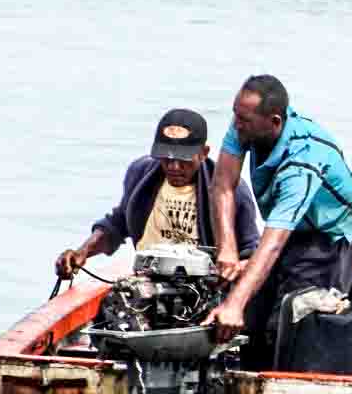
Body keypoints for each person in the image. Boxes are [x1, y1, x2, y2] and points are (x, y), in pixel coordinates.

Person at [202, 75, 352, 354]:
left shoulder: (302, 163)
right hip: (284, 223)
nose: (236, 124)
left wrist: (234, 306)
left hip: (325, 233)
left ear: (274, 121)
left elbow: (274, 242)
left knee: (293, 317)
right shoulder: (245, 124)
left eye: (245, 120)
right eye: (235, 115)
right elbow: (222, 185)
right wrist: (227, 249)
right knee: (249, 306)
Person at [55, 108, 260, 279]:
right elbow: (117, 224)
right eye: (166, 158)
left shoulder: (231, 191)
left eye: (184, 159)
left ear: (204, 153)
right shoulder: (140, 173)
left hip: (202, 287)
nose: (174, 167)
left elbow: (251, 253)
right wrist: (82, 253)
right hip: (147, 280)